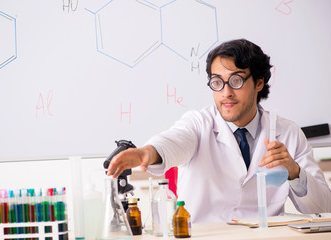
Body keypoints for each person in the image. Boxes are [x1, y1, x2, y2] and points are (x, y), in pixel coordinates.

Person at [107, 39, 331, 222]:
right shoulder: (199, 123)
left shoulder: (287, 133)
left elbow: (324, 208)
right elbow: (174, 141)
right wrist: (148, 152)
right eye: (217, 82)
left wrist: (294, 171)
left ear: (259, 83)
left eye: (236, 81)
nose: (226, 93)